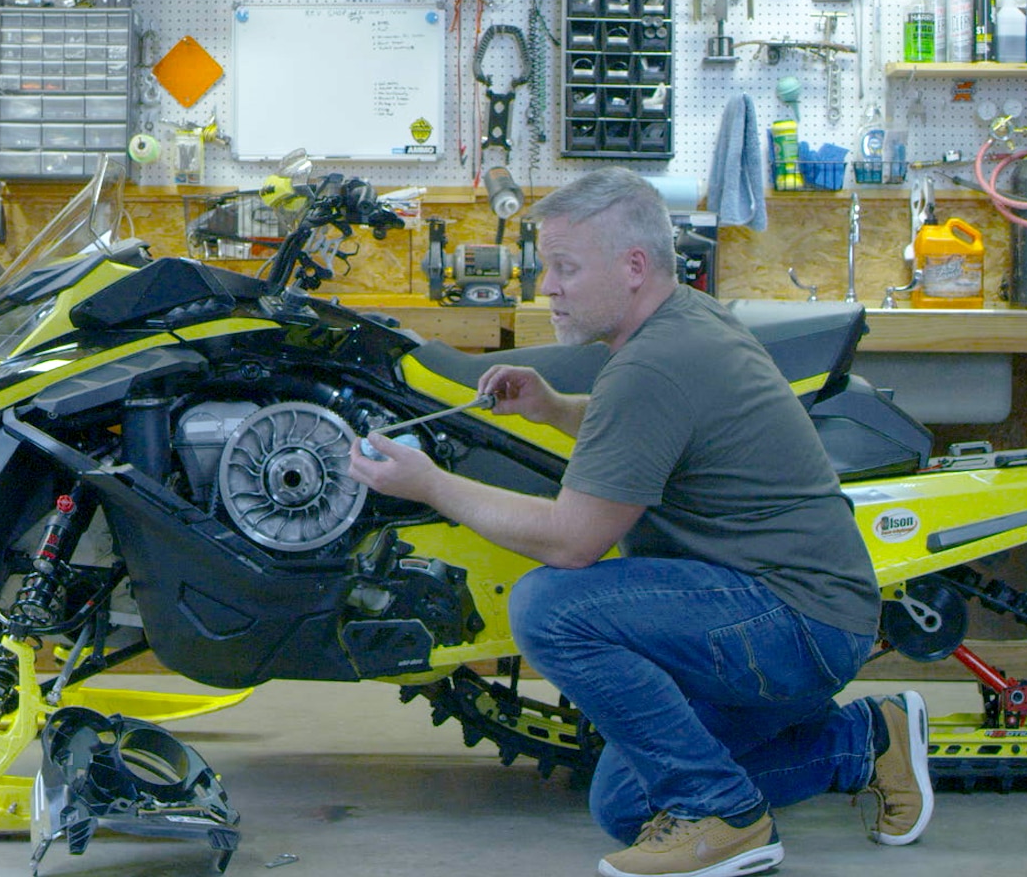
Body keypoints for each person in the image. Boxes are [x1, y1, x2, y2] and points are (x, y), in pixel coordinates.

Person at [348, 167, 932, 877]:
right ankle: (866, 741)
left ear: (631, 266)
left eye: (564, 268)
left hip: (793, 625)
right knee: (627, 808)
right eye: (545, 268)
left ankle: (726, 819)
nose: (546, 288)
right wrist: (554, 407)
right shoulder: (685, 321)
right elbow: (656, 430)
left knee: (549, 605)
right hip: (794, 618)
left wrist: (433, 485)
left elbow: (573, 541)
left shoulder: (652, 364)